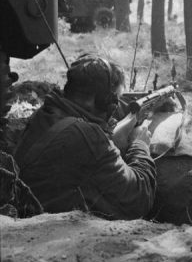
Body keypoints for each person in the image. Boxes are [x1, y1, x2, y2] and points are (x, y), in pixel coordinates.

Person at [14, 54, 156, 220]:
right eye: (114, 100)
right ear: (102, 100)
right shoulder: (86, 135)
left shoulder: (46, 114)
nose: (114, 106)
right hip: (45, 231)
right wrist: (140, 145)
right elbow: (138, 199)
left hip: (26, 213)